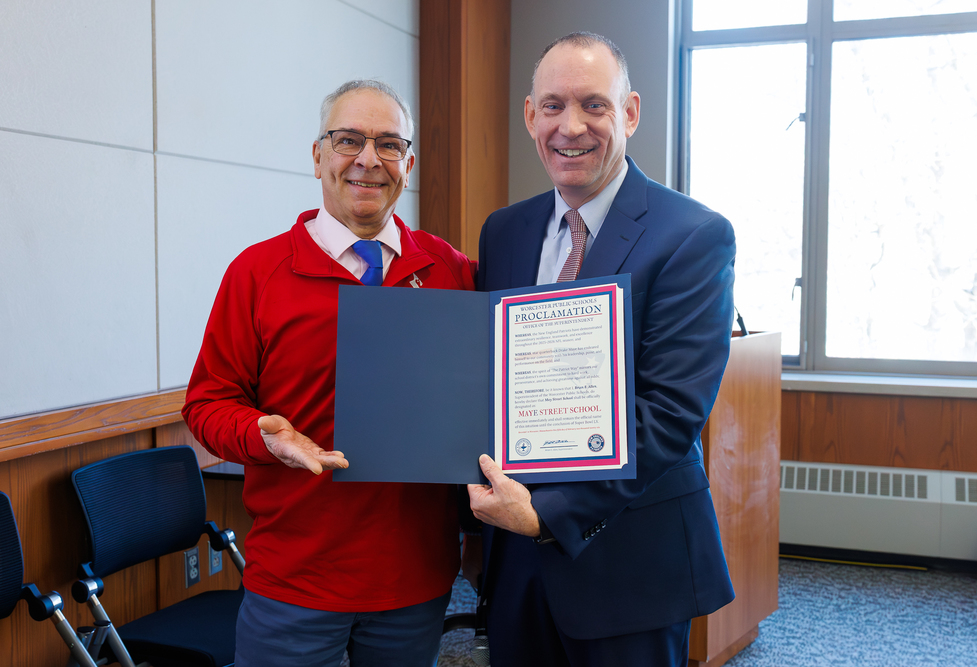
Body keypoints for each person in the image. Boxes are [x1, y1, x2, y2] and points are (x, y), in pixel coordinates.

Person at [182, 79, 476, 667]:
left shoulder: (451, 270)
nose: (368, 159)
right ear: (318, 155)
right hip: (295, 581)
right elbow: (206, 405)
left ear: (408, 165)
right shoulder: (257, 272)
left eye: (389, 144)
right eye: (348, 140)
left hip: (414, 579)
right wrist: (262, 435)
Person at [468, 33, 736, 666]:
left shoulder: (693, 234)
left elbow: (670, 411)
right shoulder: (504, 231)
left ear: (630, 113)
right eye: (553, 105)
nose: (571, 127)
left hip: (630, 562)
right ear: (530, 116)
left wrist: (548, 513)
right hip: (515, 562)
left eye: (594, 105)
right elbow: (490, 380)